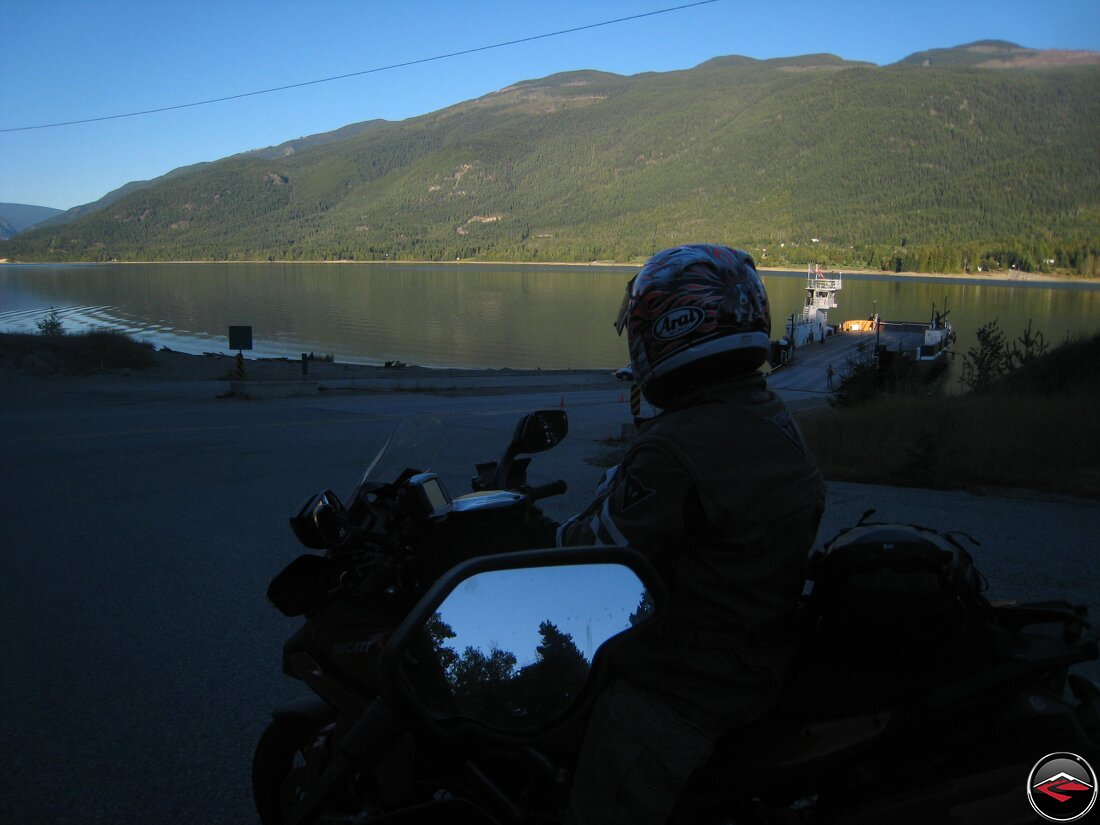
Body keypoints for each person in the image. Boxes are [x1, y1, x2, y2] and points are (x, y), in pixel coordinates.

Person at [556, 244, 826, 825]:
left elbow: (598, 558)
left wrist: (551, 541)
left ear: (674, 326)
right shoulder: (766, 412)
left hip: (684, 686)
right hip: (757, 651)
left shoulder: (675, 447)